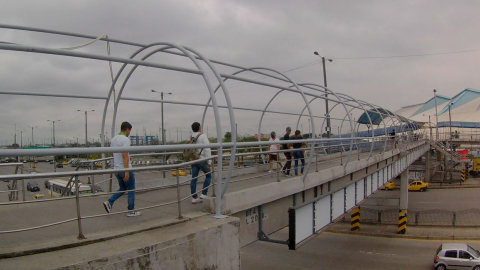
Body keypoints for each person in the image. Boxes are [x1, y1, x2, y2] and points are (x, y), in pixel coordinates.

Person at [103, 122, 141, 217]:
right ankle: (131, 210)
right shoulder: (126, 140)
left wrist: (128, 156)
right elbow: (124, 154)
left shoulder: (113, 139)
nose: (129, 133)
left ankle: (109, 202)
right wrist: (127, 171)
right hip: (124, 168)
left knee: (123, 188)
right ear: (127, 129)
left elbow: (113, 154)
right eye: (129, 131)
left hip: (116, 169)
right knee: (131, 189)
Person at [190, 122, 212, 204]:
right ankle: (204, 193)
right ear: (199, 128)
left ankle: (194, 197)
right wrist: (209, 161)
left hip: (194, 159)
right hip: (202, 159)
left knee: (194, 178)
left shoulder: (192, 136)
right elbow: (207, 149)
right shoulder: (203, 136)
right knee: (209, 175)